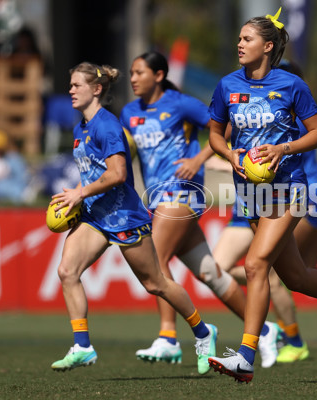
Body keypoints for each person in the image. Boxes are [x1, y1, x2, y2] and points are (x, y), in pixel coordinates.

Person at [206, 8, 317, 383]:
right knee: (297, 277)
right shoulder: (226, 85)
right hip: (250, 194)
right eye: (238, 38)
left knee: (254, 266)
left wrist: (282, 150)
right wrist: (230, 153)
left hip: (290, 189)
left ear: (267, 46)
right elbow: (215, 135)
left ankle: (247, 356)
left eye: (247, 39)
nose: (239, 44)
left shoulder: (291, 85)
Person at [49, 62, 217, 374]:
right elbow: (95, 172)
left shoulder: (107, 125)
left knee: (157, 284)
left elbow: (118, 174)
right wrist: (77, 196)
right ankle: (83, 346)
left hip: (124, 217)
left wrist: (80, 193)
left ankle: (204, 333)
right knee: (67, 271)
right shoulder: (80, 128)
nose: (70, 90)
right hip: (95, 217)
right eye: (70, 85)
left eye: (77, 85)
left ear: (96, 89)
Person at [119, 51, 281, 369]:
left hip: (183, 194)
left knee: (156, 262)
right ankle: (264, 330)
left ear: (159, 75)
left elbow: (225, 127)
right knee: (210, 274)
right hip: (157, 198)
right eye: (131, 73)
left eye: (140, 72)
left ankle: (168, 338)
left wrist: (198, 160)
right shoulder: (128, 113)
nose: (134, 78)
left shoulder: (181, 104)